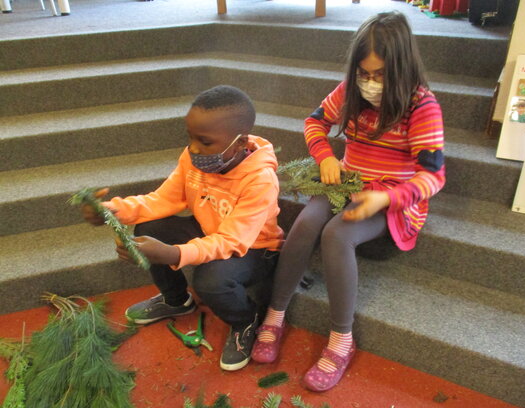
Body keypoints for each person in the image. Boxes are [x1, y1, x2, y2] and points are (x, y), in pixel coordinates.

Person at [251, 11, 446, 391]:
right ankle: (275, 314)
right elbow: (313, 122)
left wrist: (387, 198)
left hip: (390, 200)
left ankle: (342, 339)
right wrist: (325, 157)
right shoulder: (351, 90)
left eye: (380, 75)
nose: (370, 83)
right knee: (306, 223)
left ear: (402, 70)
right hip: (348, 180)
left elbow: (433, 176)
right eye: (364, 73)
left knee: (337, 235)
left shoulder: (422, 107)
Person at [81, 85, 283, 372]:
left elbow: (232, 241)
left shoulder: (260, 180)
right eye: (190, 137)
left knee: (210, 281)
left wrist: (175, 254)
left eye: (205, 142)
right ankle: (176, 301)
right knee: (151, 226)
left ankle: (245, 319)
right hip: (210, 230)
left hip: (254, 248)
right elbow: (163, 199)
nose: (194, 149)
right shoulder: (192, 158)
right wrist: (112, 211)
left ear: (240, 143)